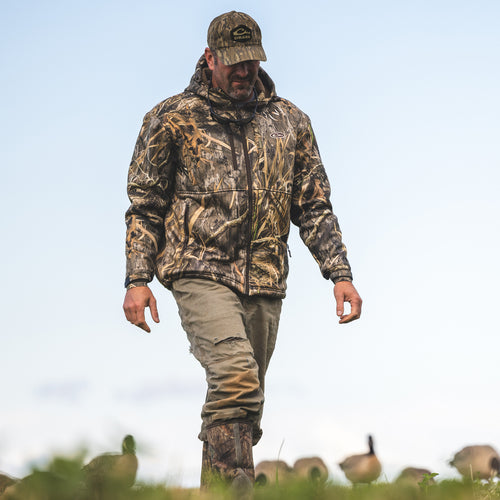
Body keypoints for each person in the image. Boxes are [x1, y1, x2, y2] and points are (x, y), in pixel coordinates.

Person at [123, 10, 362, 490]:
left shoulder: (290, 121)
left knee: (245, 407)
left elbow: (313, 205)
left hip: (266, 280)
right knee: (235, 379)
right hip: (198, 270)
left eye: (250, 61)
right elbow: (145, 205)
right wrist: (137, 279)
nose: (242, 71)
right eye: (231, 61)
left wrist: (340, 273)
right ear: (209, 57)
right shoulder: (171, 118)